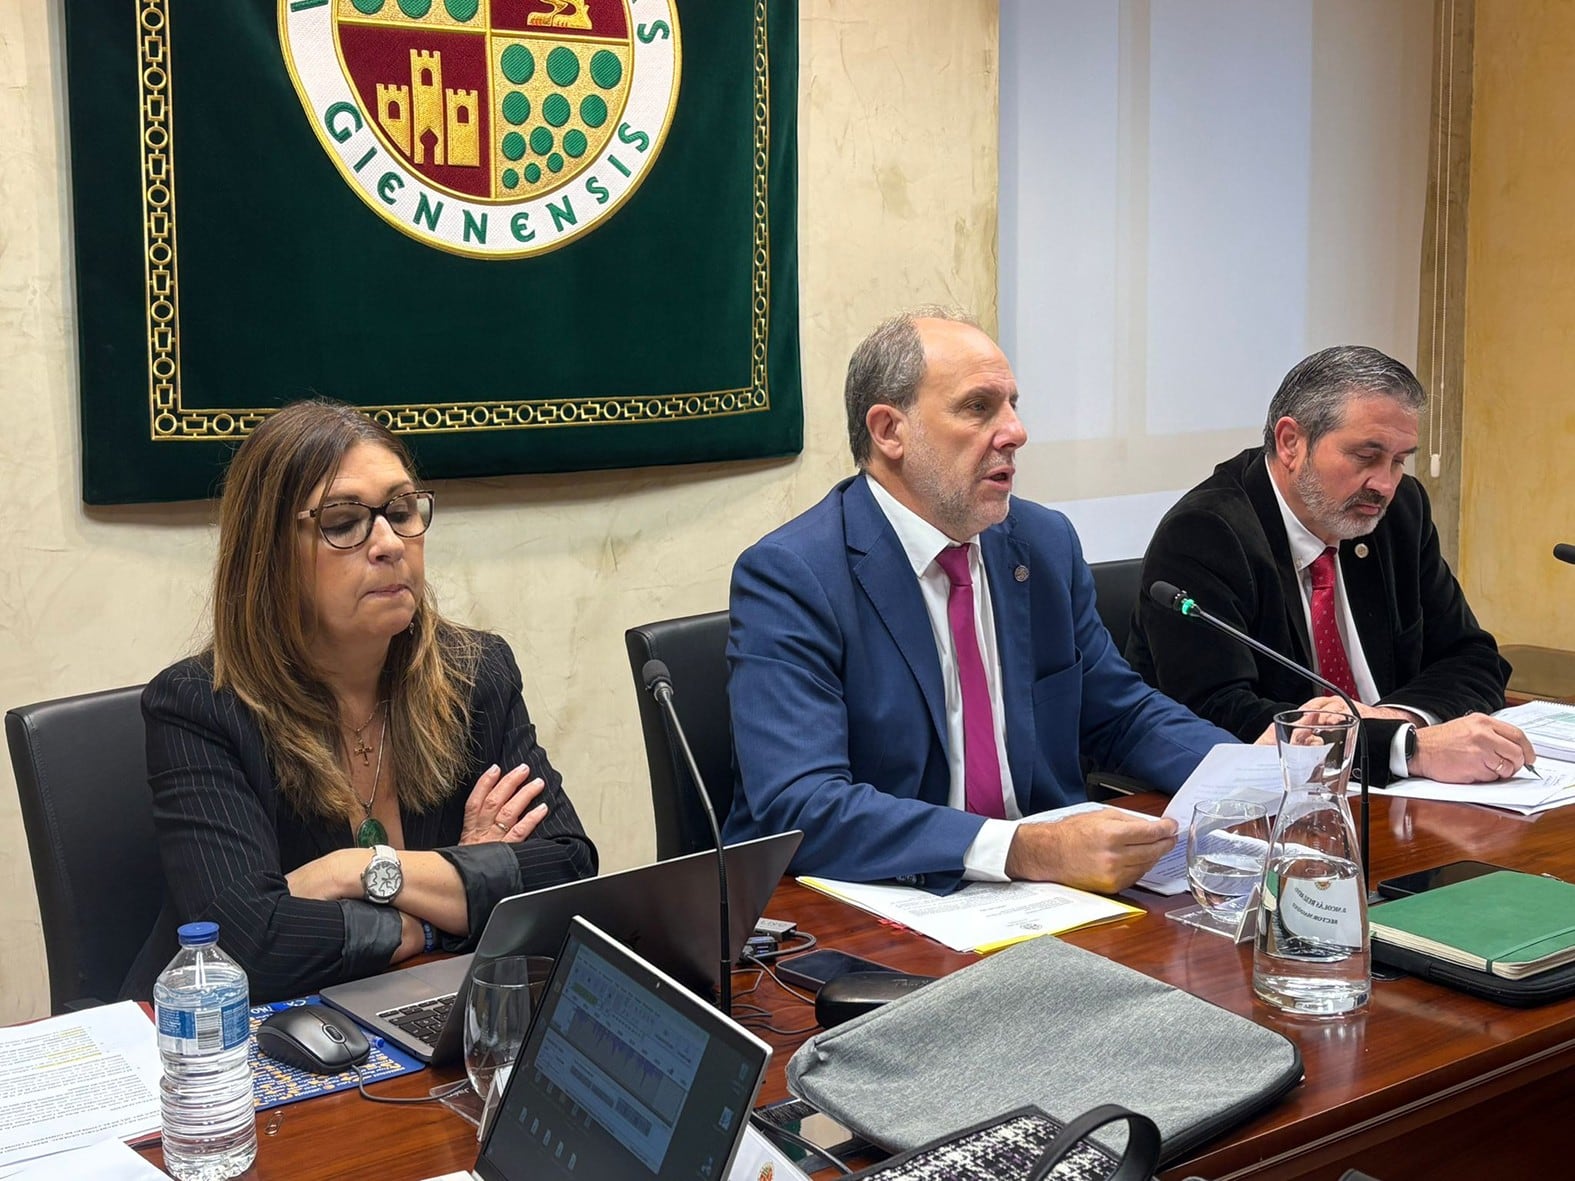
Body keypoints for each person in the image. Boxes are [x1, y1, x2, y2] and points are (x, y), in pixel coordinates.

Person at [723, 309, 1238, 894]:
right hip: (881, 904)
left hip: (1044, 901)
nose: (1015, 431)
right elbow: (798, 806)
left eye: (1014, 404)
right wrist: (1023, 849)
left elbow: (1119, 714)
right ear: (890, 430)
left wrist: (1254, 774)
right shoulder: (794, 575)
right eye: (979, 408)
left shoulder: (1041, 544)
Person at [123, 401, 596, 1002]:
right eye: (344, 523)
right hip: (226, 1052)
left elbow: (567, 875)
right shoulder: (201, 708)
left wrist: (355, 871)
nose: (390, 543)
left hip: (418, 1011)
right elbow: (247, 942)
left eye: (401, 511)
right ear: (268, 555)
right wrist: (455, 896)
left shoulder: (476, 674)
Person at [1126, 345, 1532, 787]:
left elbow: (1473, 658)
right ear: (1290, 443)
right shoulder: (1206, 533)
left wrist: (1394, 720)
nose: (1385, 483)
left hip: (1402, 796)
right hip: (1267, 809)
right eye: (1366, 456)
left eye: (1399, 460)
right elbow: (1221, 715)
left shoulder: (1399, 513)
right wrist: (1405, 747)